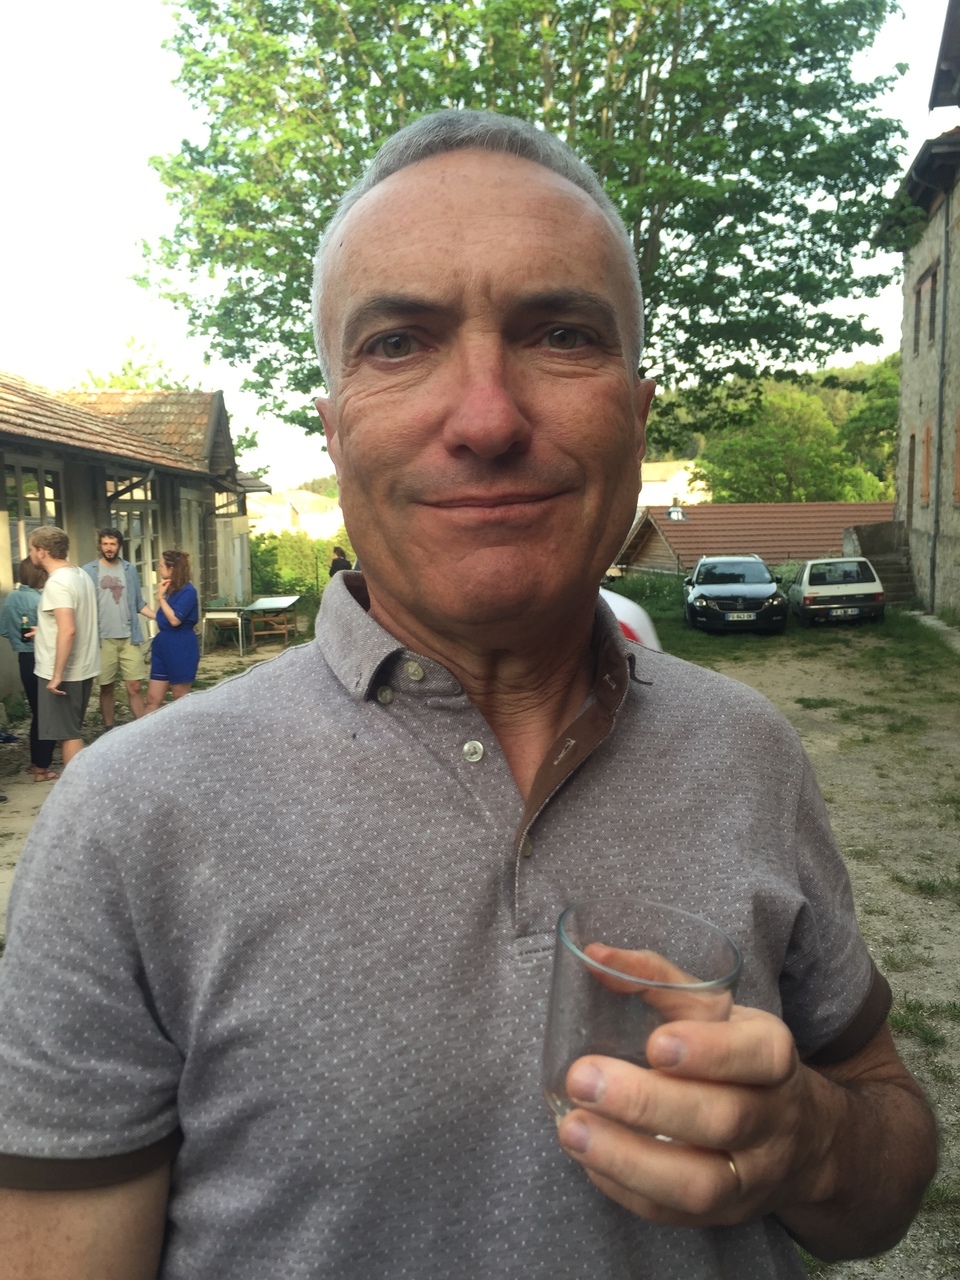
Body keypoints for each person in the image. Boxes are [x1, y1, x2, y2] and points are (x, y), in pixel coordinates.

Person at [0, 112, 936, 1279]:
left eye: (562, 334)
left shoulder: (746, 748)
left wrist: (814, 1142)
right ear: (335, 431)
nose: (488, 418)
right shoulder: (128, 819)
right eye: (400, 342)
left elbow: (886, 1165)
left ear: (638, 413)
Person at [25, 525, 99, 767]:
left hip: (66, 672)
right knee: (70, 730)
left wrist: (57, 675)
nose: (30, 554)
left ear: (42, 551)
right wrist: (43, 631)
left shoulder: (57, 583)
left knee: (68, 735)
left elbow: (68, 629)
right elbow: (72, 621)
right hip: (83, 667)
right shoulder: (80, 574)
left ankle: (76, 788)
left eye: (31, 549)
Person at [82, 527, 156, 729]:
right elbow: (83, 605)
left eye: (113, 544)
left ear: (119, 546)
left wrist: (161, 618)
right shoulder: (89, 571)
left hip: (129, 637)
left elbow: (138, 603)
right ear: (100, 546)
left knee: (135, 686)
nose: (109, 548)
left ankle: (142, 728)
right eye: (105, 544)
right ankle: (109, 729)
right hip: (103, 639)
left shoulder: (129, 569)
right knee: (106, 687)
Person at [0, 559, 58, 782]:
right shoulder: (41, 599)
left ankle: (35, 761)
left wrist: (19, 639)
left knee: (36, 710)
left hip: (24, 659)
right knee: (48, 712)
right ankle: (42, 767)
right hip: (42, 657)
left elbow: (4, 630)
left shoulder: (11, 598)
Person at [144, 551, 200, 712]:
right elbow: (162, 618)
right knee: (152, 698)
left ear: (172, 569)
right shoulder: (169, 589)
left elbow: (175, 620)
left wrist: (160, 598)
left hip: (180, 645)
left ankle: (187, 727)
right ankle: (147, 728)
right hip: (163, 644)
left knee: (180, 696)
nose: (158, 569)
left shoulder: (189, 592)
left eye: (161, 565)